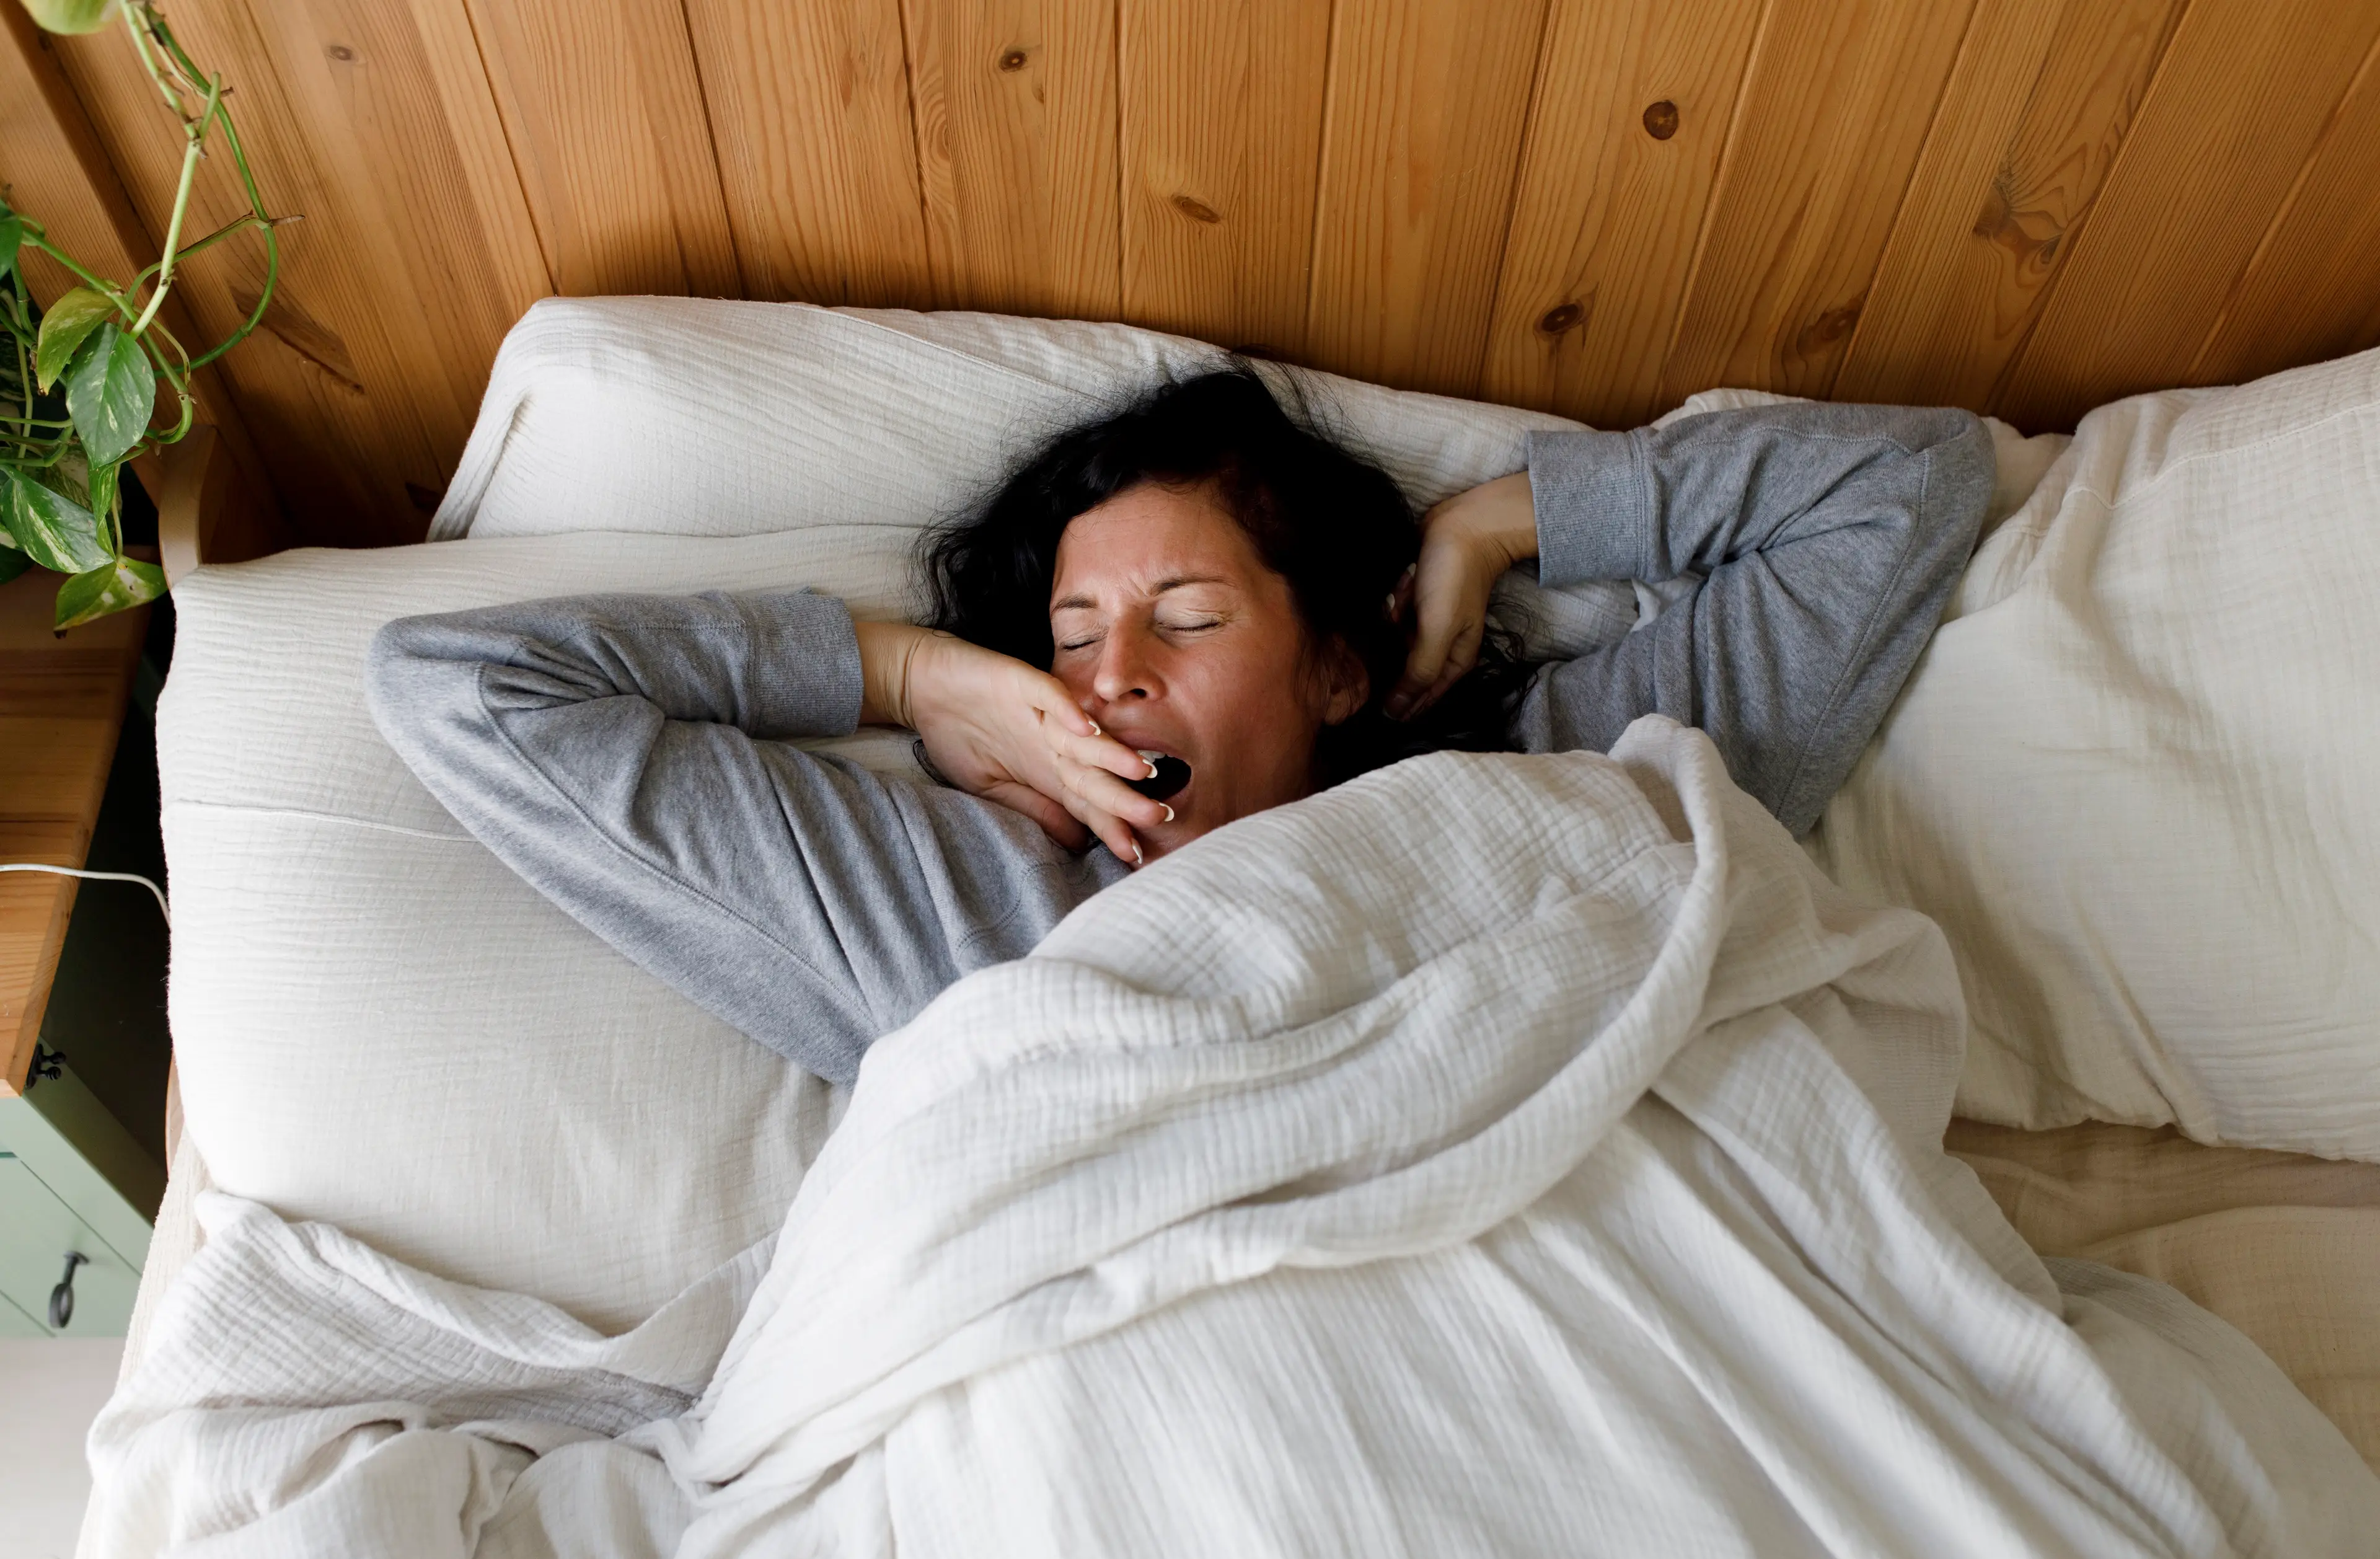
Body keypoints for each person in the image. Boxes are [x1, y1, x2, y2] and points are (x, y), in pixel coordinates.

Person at [368, 371, 1993, 1084]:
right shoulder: (965, 914)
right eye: (1069, 643)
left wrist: (1490, 531)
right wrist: (910, 678)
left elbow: (1906, 487)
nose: (1111, 673)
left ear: (1342, 671)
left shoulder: (1554, 778)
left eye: (1189, 619)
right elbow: (460, 694)